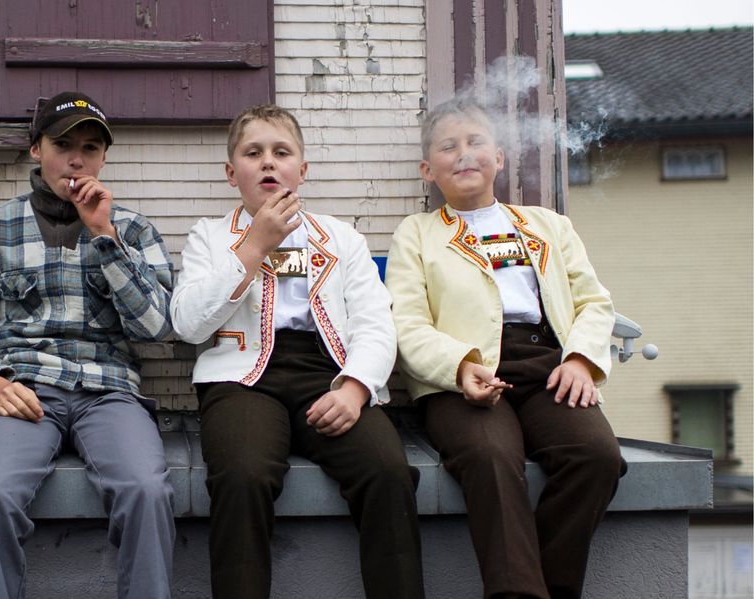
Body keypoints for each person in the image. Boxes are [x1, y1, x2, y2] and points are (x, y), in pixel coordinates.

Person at [169, 103, 425, 599]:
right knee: (242, 476)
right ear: (231, 173)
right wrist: (253, 247)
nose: (268, 162)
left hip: (329, 374)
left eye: (281, 152)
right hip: (240, 379)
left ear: (301, 170)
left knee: (387, 471)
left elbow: (375, 319)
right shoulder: (209, 237)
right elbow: (189, 324)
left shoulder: (341, 237)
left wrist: (355, 388)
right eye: (253, 153)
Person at [385, 96, 626, 599]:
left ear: (499, 157)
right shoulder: (417, 234)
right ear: (429, 170)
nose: (463, 154)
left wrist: (580, 359)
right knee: (491, 457)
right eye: (448, 147)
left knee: (596, 456)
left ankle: (550, 588)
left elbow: (594, 302)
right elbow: (406, 323)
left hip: (549, 365)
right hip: (464, 375)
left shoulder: (548, 225)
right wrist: (459, 367)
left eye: (476, 141)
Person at [0, 91, 176, 599]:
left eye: (90, 148)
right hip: (25, 391)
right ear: (36, 149)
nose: (77, 160)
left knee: (146, 490)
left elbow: (157, 326)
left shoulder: (133, 230)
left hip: (109, 392)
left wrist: (105, 237)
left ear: (103, 158)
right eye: (63, 145)